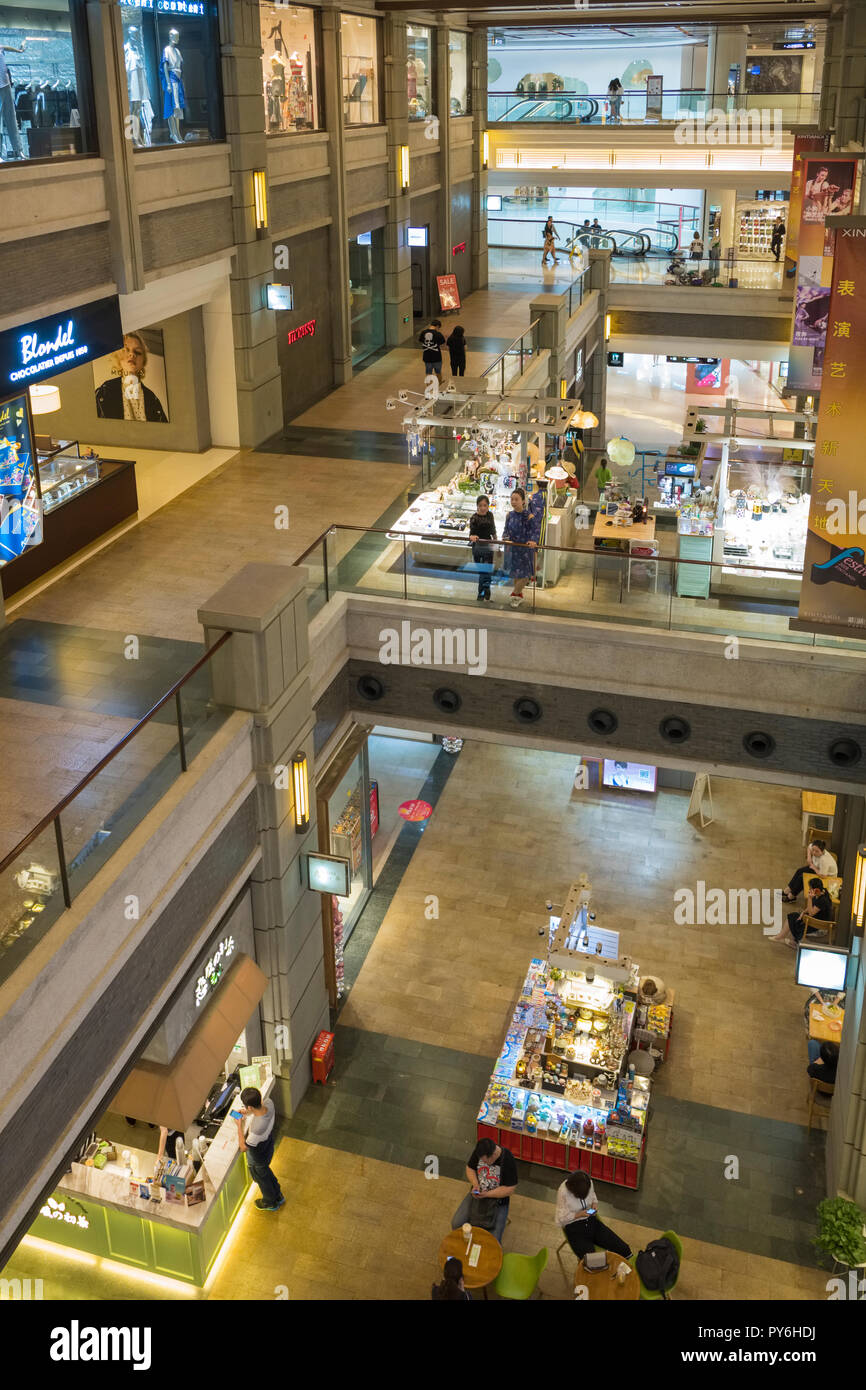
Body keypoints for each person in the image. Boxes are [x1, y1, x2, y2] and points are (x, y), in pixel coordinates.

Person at [450, 1136, 518, 1244]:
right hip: (478, 1195)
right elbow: (470, 1168)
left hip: (498, 1201)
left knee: (494, 1240)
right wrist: (475, 1184)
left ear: (493, 1155)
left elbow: (510, 1189)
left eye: (485, 1161)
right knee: (456, 1223)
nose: (482, 1162)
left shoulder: (508, 1159)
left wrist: (488, 1194)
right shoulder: (481, 1151)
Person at [555, 1170, 632, 1261]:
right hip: (574, 1228)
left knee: (624, 1249)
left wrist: (594, 1204)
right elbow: (560, 1219)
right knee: (592, 1262)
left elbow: (593, 1195)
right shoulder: (563, 1192)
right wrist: (578, 1215)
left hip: (591, 1221)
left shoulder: (588, 1183)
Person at [95, 332, 168, 422]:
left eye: (138, 352)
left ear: (143, 361)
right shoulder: (104, 392)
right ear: (118, 357)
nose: (132, 355)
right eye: (126, 350)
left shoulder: (153, 400)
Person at [235, 1086, 284, 1212]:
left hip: (258, 1158)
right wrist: (247, 1112)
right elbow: (259, 1109)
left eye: (246, 1106)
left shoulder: (257, 1129)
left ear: (250, 1106)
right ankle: (278, 1195)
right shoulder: (269, 1103)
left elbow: (243, 1148)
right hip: (268, 1145)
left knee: (262, 1179)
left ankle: (270, 1202)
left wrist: (239, 1126)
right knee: (266, 1173)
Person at [502, 486, 541, 609]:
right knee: (517, 574)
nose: (513, 502)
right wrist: (506, 538)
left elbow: (535, 531)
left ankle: (515, 594)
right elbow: (506, 531)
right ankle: (518, 596)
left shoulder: (528, 516)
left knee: (526, 575)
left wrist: (533, 541)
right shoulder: (509, 515)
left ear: (523, 501)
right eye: (512, 499)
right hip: (513, 549)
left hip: (525, 550)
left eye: (516, 499)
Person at [771, 876, 834, 949]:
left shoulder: (822, 900)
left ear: (816, 890)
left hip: (819, 926)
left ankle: (783, 938)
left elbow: (811, 913)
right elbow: (812, 907)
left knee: (794, 918)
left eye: (810, 888)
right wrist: (803, 912)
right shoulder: (822, 892)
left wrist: (809, 898)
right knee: (797, 915)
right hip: (816, 919)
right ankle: (782, 937)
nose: (809, 890)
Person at [469, 493, 497, 601]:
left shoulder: (490, 515)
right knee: (482, 571)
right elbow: (471, 534)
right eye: (480, 505)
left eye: (485, 505)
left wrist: (496, 544)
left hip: (488, 547)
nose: (483, 508)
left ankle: (482, 592)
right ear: (477, 506)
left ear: (488, 506)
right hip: (478, 548)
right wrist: (473, 536)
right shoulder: (474, 518)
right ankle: (485, 590)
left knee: (487, 570)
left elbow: (493, 531)